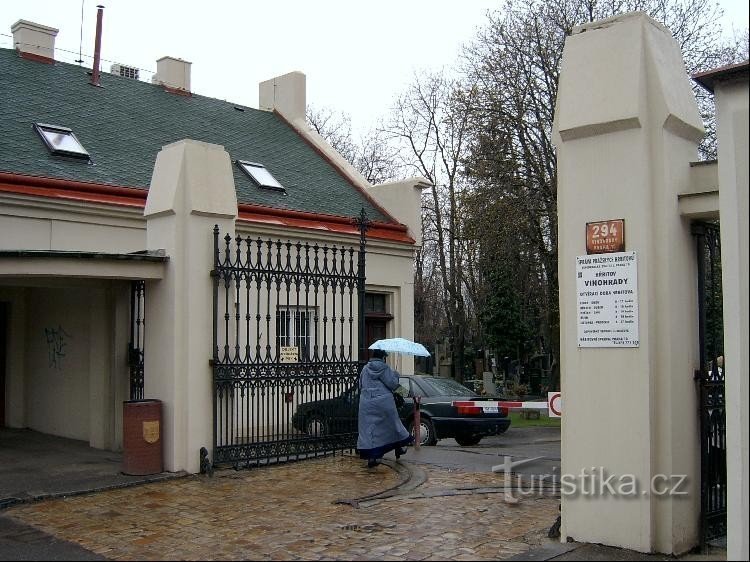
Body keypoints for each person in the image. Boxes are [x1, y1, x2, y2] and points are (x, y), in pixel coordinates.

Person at [356, 349, 414, 468]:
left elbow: (360, 384)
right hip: (383, 402)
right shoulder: (384, 368)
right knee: (392, 425)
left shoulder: (365, 369)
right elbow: (392, 384)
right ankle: (399, 448)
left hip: (366, 403)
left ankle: (372, 456)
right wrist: (405, 392)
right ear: (382, 357)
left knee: (370, 430)